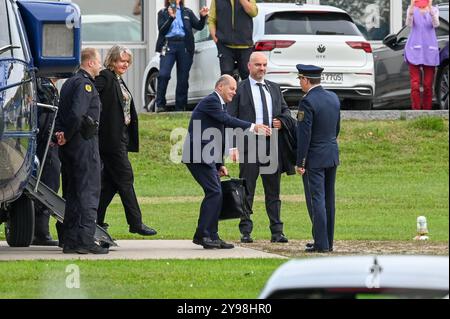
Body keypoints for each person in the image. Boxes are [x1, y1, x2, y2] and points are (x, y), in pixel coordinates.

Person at [182, 74, 271, 249]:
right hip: (197, 156)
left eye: (235, 90)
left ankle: (212, 235)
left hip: (207, 156)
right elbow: (227, 121)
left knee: (217, 193)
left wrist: (219, 164)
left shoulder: (220, 104)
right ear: (220, 87)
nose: (234, 93)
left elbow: (217, 137)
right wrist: (253, 127)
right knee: (214, 192)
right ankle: (203, 235)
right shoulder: (211, 101)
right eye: (231, 88)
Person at [227, 52, 295, 244]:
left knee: (273, 190)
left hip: (271, 145)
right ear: (249, 66)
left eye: (264, 65)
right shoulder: (240, 89)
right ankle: (246, 231)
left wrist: (282, 121)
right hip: (248, 144)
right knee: (247, 189)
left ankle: (277, 231)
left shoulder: (273, 88)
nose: (262, 69)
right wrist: (232, 146)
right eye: (258, 65)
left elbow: (286, 111)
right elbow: (230, 118)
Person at [95, 45, 157, 236]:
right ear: (112, 60)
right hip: (110, 139)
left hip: (120, 137)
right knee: (125, 178)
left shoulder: (118, 79)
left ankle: (95, 220)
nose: (125, 64)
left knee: (111, 183)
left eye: (128, 61)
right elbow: (90, 97)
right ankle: (136, 223)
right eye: (121, 61)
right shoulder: (105, 77)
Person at [54, 48, 108, 254]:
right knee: (88, 193)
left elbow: (61, 112)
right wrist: (67, 134)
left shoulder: (68, 83)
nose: (101, 66)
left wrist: (59, 135)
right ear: (91, 63)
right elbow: (77, 114)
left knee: (73, 195)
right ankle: (85, 240)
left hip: (69, 148)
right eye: (99, 62)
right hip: (84, 145)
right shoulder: (85, 85)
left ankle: (70, 241)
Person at [295, 64, 340, 253]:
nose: (300, 83)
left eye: (300, 79)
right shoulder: (333, 98)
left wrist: (300, 162)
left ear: (305, 80)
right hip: (331, 153)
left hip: (314, 157)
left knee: (317, 200)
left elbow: (304, 135)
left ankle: (321, 243)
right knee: (329, 199)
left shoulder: (307, 102)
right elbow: (336, 128)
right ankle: (327, 241)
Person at [155, 0, 209, 112]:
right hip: (168, 44)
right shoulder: (163, 12)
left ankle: (180, 107)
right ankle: (160, 104)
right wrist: (171, 18)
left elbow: (198, 26)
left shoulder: (187, 12)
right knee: (163, 74)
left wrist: (203, 17)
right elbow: (162, 30)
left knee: (183, 77)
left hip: (184, 45)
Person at [32, 77, 61, 246]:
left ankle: (39, 230)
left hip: (44, 142)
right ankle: (41, 232)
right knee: (48, 185)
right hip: (46, 144)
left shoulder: (43, 84)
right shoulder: (44, 86)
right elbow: (45, 116)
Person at [208, 0, 258, 81]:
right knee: (226, 76)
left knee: (247, 75)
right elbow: (211, 20)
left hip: (245, 45)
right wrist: (217, 41)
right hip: (225, 46)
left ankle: (247, 94)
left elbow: (253, 12)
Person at [405, 0, 440, 110]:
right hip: (414, 50)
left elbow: (436, 24)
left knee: (428, 85)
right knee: (415, 84)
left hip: (429, 51)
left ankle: (427, 112)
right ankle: (416, 112)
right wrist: (411, 6)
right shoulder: (411, 10)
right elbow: (408, 24)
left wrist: (429, 9)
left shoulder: (434, 10)